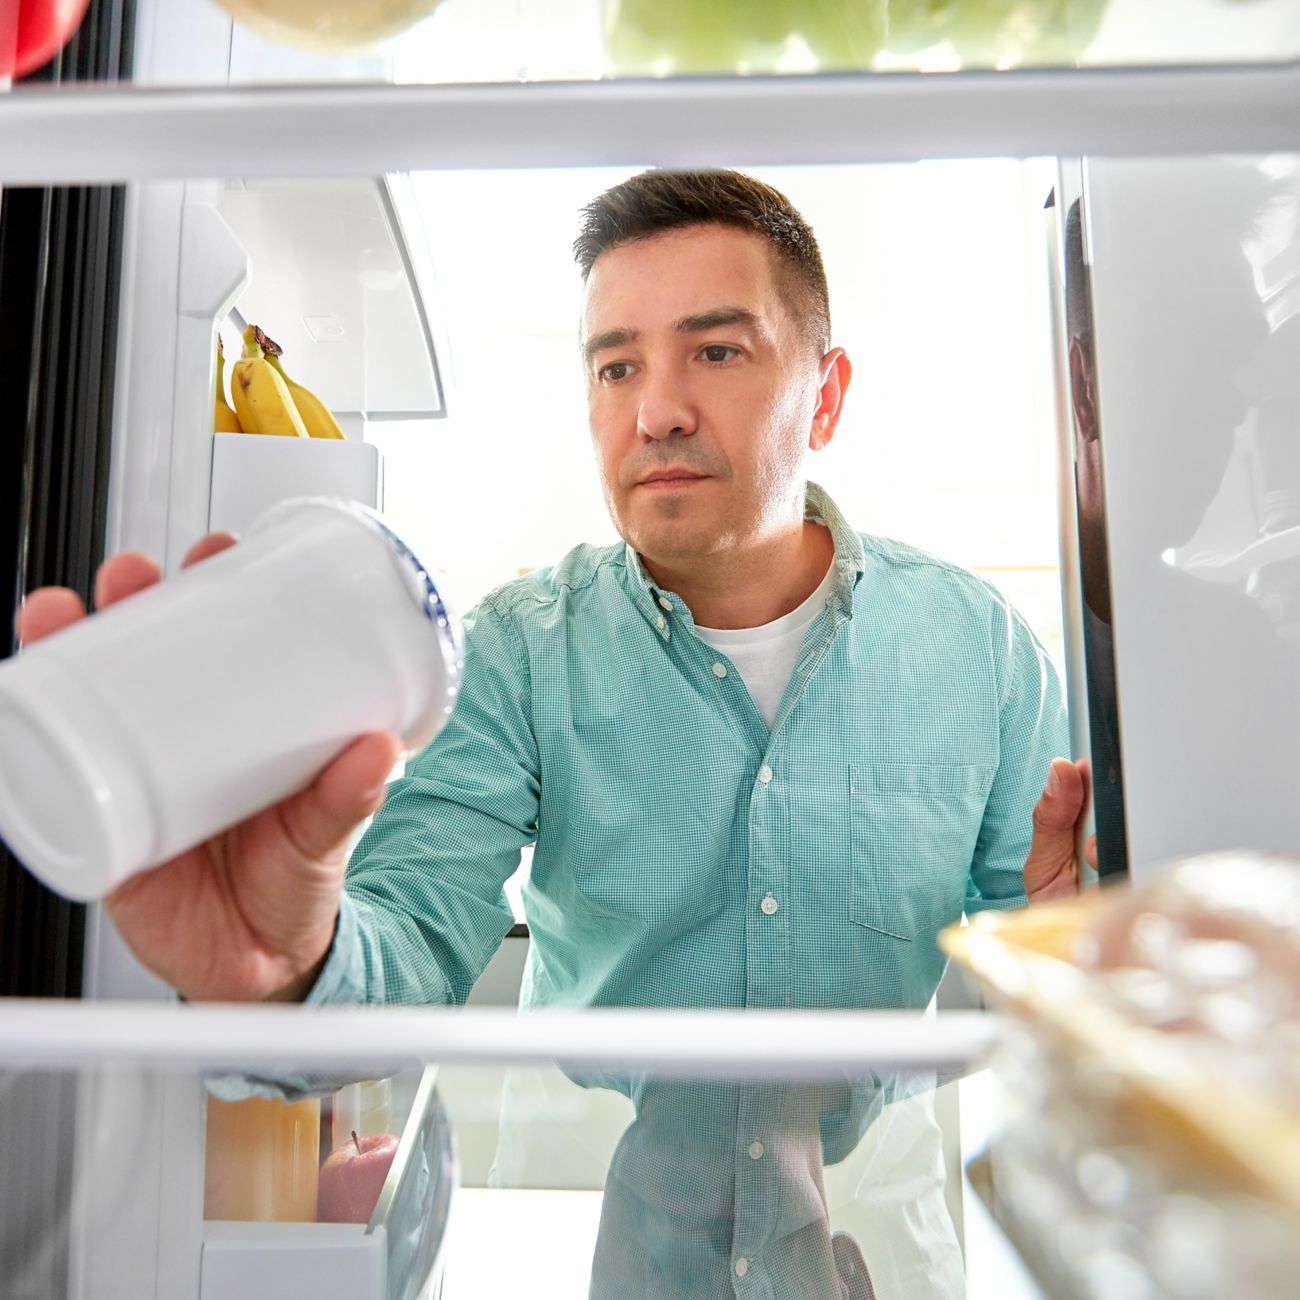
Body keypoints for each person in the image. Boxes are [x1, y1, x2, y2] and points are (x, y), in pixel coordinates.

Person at [20, 170, 1090, 1298]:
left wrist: (1078, 966)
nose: (656, 410)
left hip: (880, 1232)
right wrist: (286, 968)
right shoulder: (520, 652)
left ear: (824, 396)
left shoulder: (978, 648)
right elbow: (405, 953)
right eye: (616, 364)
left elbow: (1038, 973)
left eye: (715, 353)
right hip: (583, 1226)